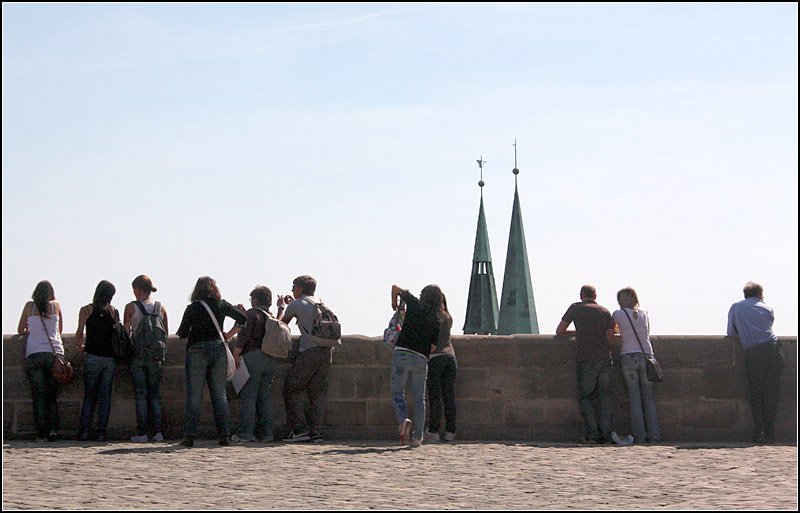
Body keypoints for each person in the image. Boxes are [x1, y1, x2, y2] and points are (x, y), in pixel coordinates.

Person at [176, 276, 247, 447]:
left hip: (197, 350)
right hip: (218, 349)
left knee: (194, 395)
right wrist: (228, 335)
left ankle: (189, 435)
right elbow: (243, 319)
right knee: (219, 394)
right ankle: (224, 434)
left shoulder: (192, 308)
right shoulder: (221, 305)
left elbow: (183, 332)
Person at [556, 285, 616, 444]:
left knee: (585, 397)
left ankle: (592, 434)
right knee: (605, 398)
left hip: (586, 358)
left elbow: (560, 331)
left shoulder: (575, 308)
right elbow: (611, 338)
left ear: (581, 295)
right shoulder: (604, 311)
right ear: (595, 296)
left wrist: (578, 332)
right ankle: (605, 434)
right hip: (605, 359)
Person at [390, 284, 446, 448]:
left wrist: (394, 302)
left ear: (423, 295)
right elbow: (433, 347)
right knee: (419, 398)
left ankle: (403, 420)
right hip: (421, 358)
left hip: (402, 353)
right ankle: (417, 437)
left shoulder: (414, 304)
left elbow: (395, 287)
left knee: (397, 392)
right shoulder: (436, 319)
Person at [727, 281, 784, 444]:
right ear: (760, 294)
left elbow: (731, 331)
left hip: (755, 353)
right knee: (772, 394)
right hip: (774, 350)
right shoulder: (768, 308)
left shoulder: (736, 307)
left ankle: (759, 431)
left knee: (756, 394)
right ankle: (770, 432)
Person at [278, 275, 331, 443]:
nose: (292, 290)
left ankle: (300, 430)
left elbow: (280, 326)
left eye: (293, 287)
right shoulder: (320, 302)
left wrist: (281, 308)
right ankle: (316, 432)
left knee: (292, 388)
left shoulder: (296, 304)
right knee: (317, 393)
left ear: (300, 288)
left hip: (309, 351)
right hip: (326, 350)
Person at [17, 280, 64, 442]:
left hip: (35, 352)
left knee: (38, 395)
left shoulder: (29, 307)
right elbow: (60, 330)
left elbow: (20, 329)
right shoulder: (55, 306)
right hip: (54, 353)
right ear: (51, 293)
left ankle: (41, 433)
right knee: (52, 395)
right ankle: (53, 431)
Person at [611, 287, 660, 444]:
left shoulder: (618, 314)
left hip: (629, 356)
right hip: (647, 355)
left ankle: (640, 436)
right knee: (649, 399)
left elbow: (615, 331)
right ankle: (654, 435)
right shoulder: (644, 313)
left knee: (635, 399)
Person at [123, 275, 168, 443]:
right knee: (154, 396)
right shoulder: (160, 307)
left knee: (141, 395)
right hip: (155, 357)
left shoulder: (131, 307)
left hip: (138, 355)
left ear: (139, 289)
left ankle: (142, 433)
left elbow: (126, 332)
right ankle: (157, 433)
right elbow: (165, 332)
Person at [231, 285, 278, 443]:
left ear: (256, 300)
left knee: (248, 397)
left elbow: (244, 335)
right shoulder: (271, 316)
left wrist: (236, 354)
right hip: (270, 359)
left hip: (253, 357)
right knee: (264, 397)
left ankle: (246, 433)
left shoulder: (252, 314)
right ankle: (267, 434)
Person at [75, 280, 120, 442]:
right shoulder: (114, 312)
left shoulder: (86, 310)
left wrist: (79, 345)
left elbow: (79, 333)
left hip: (92, 356)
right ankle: (101, 433)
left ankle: (85, 431)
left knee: (89, 396)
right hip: (109, 358)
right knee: (105, 397)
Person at [425, 292, 457, 443]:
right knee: (449, 396)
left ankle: (434, 431)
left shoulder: (432, 317)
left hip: (436, 358)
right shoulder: (448, 317)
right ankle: (451, 431)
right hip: (451, 358)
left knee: (435, 397)